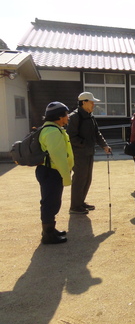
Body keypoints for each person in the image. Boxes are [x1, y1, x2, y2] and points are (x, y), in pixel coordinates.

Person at [66, 92, 112, 214]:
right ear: (84, 102)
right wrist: (84, 144)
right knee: (79, 179)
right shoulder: (74, 117)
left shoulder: (90, 116)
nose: (94, 104)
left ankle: (80, 202)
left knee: (87, 179)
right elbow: (70, 137)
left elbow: (97, 133)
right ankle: (75, 206)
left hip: (89, 152)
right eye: (92, 102)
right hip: (78, 153)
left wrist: (104, 145)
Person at [36, 102, 74, 244]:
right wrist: (66, 177)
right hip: (51, 172)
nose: (68, 117)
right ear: (59, 116)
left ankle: (50, 230)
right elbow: (58, 158)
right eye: (66, 114)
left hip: (49, 171)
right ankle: (48, 235)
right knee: (50, 203)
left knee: (51, 201)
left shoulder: (52, 129)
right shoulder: (52, 132)